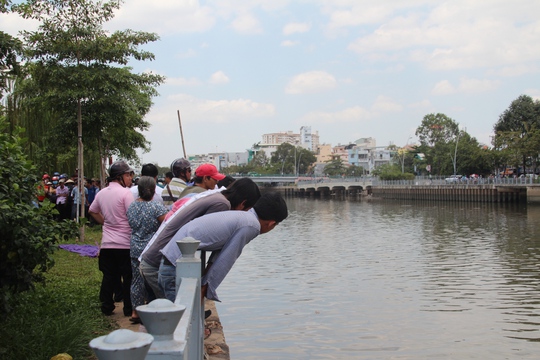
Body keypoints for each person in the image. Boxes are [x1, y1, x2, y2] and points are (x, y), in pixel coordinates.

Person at [140, 178, 261, 299]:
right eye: (246, 210)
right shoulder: (222, 204)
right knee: (175, 312)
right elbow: (207, 234)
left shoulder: (216, 196)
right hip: (161, 260)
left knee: (163, 310)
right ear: (243, 203)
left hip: (161, 255)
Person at [158, 192, 288, 302]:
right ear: (271, 224)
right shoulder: (251, 225)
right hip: (175, 267)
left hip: (171, 261)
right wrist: (205, 288)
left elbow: (221, 252)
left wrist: (206, 280)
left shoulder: (243, 216)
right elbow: (227, 259)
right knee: (181, 321)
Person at [88, 160, 135, 317]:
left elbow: (92, 210)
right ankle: (128, 309)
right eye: (128, 175)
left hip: (107, 244)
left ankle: (107, 307)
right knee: (128, 277)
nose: (130, 178)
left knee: (108, 277)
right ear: (120, 177)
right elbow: (132, 216)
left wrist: (106, 222)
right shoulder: (125, 193)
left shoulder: (101, 193)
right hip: (124, 244)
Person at [126, 176, 168, 324]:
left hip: (135, 245)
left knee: (136, 280)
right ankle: (156, 308)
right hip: (152, 249)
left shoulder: (131, 206)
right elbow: (167, 224)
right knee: (153, 280)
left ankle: (135, 311)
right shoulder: (156, 207)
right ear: (153, 190)